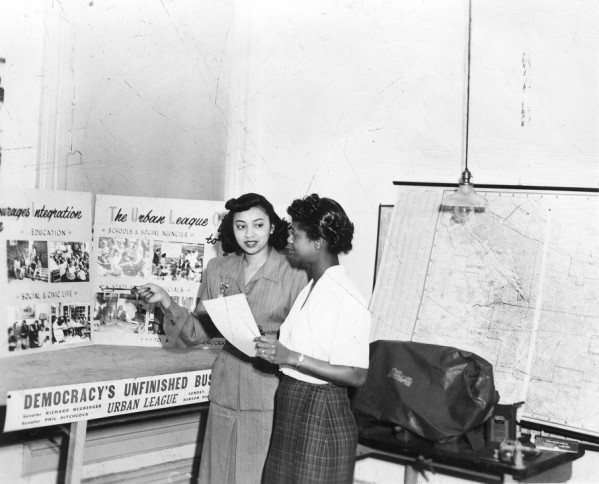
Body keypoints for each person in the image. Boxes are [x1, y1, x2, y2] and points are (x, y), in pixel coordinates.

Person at [135, 193, 308, 484]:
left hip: (269, 394)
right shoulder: (218, 270)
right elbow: (196, 333)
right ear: (232, 230)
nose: (249, 234)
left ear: (272, 227)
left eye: (258, 225)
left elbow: (302, 341)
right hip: (225, 392)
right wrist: (165, 300)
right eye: (240, 226)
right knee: (217, 475)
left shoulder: (294, 273)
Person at [255, 194, 372, 484]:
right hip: (293, 401)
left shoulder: (344, 296)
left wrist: (291, 357)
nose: (290, 241)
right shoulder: (312, 287)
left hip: (321, 411)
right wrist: (273, 349)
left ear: (318, 241)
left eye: (296, 234)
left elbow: (356, 374)